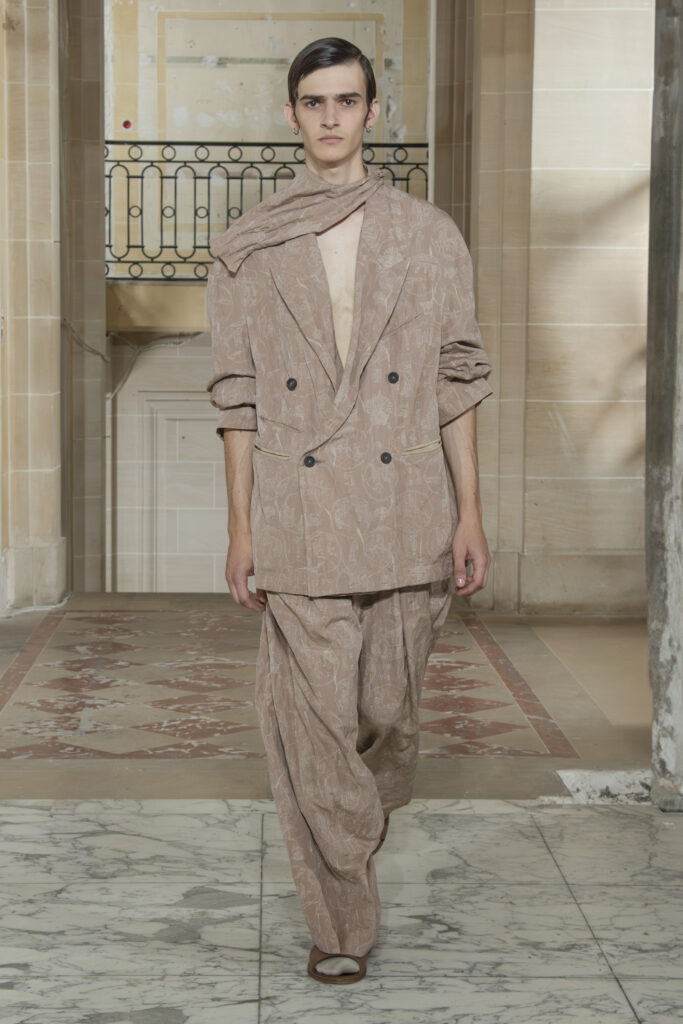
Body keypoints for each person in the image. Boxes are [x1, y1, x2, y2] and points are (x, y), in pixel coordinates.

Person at [206, 37, 493, 984]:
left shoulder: (428, 234)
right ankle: (340, 924)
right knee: (314, 727)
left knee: (385, 717)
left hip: (407, 508)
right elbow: (237, 395)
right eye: (313, 101)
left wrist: (470, 511)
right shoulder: (250, 245)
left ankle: (353, 824)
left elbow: (456, 380)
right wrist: (242, 527)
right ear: (291, 114)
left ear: (373, 111)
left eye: (346, 100)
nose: (329, 117)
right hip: (299, 513)